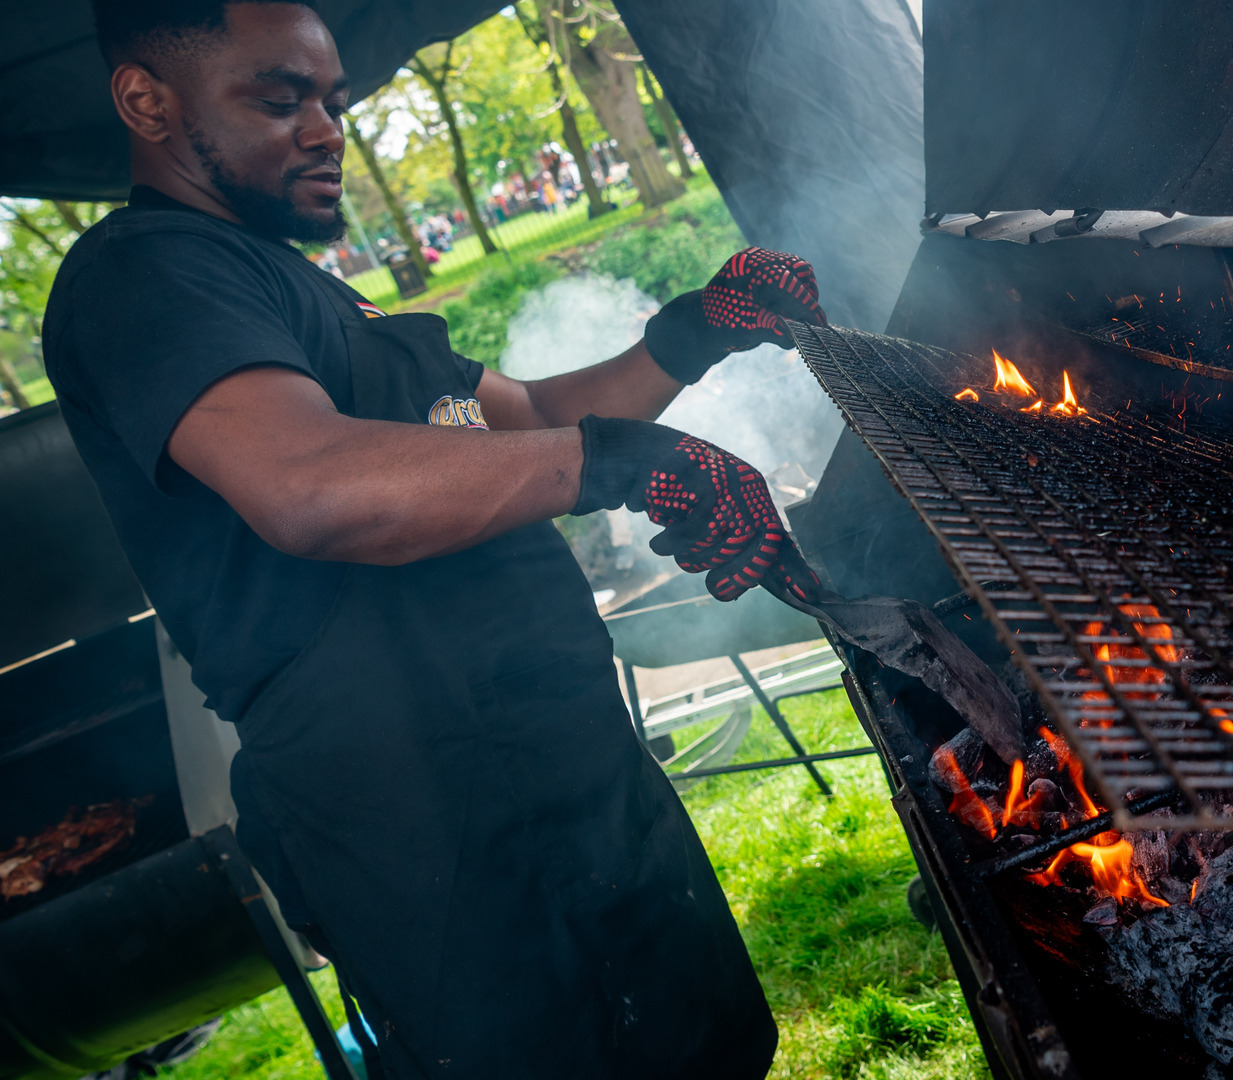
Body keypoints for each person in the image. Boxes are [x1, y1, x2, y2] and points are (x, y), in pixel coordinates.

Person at [43, 3, 828, 1078]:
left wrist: (692, 334)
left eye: (333, 102)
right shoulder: (143, 273)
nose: (326, 131)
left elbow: (528, 418)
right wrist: (624, 461)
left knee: (706, 1050)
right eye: (280, 100)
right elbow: (310, 484)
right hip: (422, 824)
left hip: (571, 767)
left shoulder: (317, 292)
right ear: (147, 101)